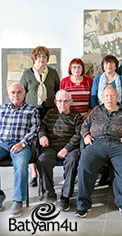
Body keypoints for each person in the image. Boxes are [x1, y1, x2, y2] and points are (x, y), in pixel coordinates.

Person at [76, 85, 122, 218]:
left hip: (118, 144)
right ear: (102, 98)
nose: (109, 98)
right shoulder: (96, 110)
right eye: (106, 96)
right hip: (97, 143)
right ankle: (83, 205)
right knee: (84, 164)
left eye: (112, 95)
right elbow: (84, 125)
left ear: (117, 97)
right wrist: (86, 135)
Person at [20, 46, 60, 187]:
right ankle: (34, 173)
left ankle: (45, 171)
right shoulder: (27, 73)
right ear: (34, 58)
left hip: (48, 110)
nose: (41, 59)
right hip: (32, 111)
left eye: (44, 56)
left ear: (47, 58)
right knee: (33, 142)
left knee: (46, 140)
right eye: (39, 57)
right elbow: (22, 92)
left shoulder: (53, 73)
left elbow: (57, 90)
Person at [36, 90, 83, 211]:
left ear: (71, 102)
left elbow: (79, 134)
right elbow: (42, 126)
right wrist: (42, 135)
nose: (62, 104)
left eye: (66, 101)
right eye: (60, 101)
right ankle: (49, 194)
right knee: (42, 160)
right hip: (51, 146)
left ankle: (65, 196)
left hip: (70, 147)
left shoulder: (76, 116)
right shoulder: (51, 113)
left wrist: (66, 149)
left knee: (72, 161)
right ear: (55, 102)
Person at [0, 82, 40, 217]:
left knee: (22, 165)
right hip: (2, 144)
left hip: (21, 145)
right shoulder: (2, 109)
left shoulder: (32, 110)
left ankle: (18, 200)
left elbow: (34, 130)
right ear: (8, 94)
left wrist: (22, 143)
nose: (15, 95)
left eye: (19, 92)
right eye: (13, 92)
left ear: (24, 94)